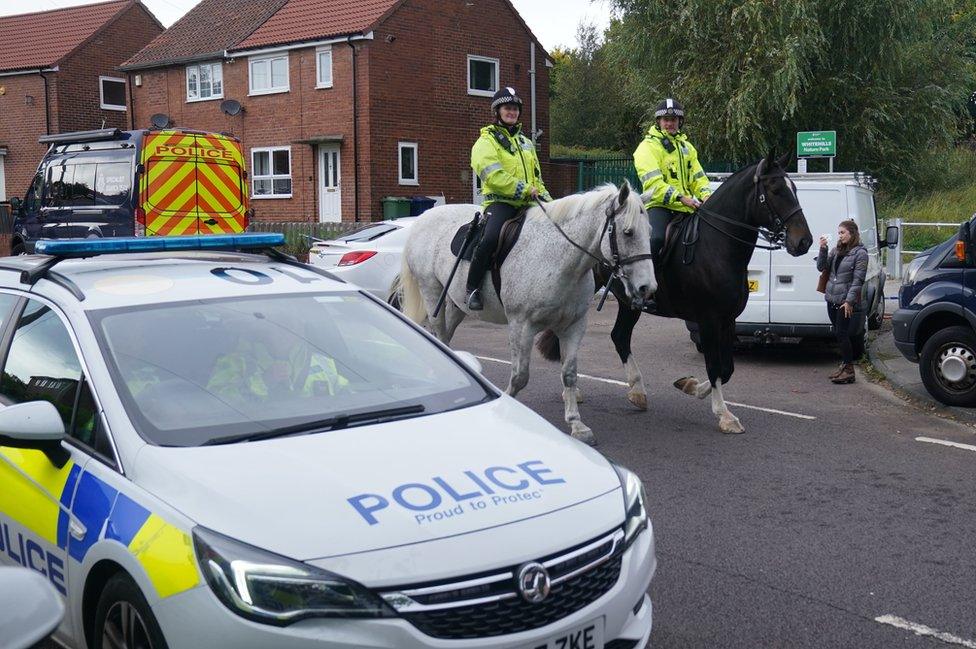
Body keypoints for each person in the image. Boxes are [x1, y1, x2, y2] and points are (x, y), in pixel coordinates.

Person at [466, 86, 551, 310]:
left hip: (529, 202)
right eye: (507, 108)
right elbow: (494, 176)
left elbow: (537, 178)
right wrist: (524, 189)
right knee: (490, 238)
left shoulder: (526, 143)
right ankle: (472, 288)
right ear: (497, 111)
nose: (511, 112)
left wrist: (550, 202)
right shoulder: (486, 142)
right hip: (500, 203)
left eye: (514, 109)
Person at [633, 98, 712, 261]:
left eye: (674, 120)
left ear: (680, 122)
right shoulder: (647, 147)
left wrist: (706, 196)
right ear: (659, 121)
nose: (670, 124)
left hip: (687, 208)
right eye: (666, 120)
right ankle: (645, 284)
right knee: (656, 240)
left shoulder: (687, 147)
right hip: (659, 206)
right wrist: (681, 198)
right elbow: (653, 184)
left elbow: (698, 178)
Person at [207, 313, 347, 402]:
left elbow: (348, 396)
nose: (286, 332)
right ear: (264, 331)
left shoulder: (322, 362)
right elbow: (216, 402)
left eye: (293, 326)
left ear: (301, 332)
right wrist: (264, 381)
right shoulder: (235, 362)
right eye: (280, 325)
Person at [817, 220, 869, 384]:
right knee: (839, 334)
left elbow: (858, 280)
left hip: (845, 301)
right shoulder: (836, 250)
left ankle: (849, 370)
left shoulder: (860, 253)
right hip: (832, 298)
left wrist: (849, 301)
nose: (840, 236)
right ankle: (845, 365)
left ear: (852, 233)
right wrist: (823, 249)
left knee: (842, 333)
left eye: (842, 233)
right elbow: (821, 267)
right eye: (838, 233)